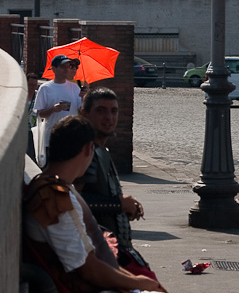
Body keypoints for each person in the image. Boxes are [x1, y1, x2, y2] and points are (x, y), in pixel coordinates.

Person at [23, 116, 166, 293]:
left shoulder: (57, 188)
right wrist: (140, 283)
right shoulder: (52, 198)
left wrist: (136, 280)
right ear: (88, 149)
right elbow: (89, 271)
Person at [77, 88, 155, 278]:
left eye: (114, 111)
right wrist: (118, 204)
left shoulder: (101, 150)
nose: (108, 117)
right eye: (101, 110)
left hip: (112, 251)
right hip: (97, 254)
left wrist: (124, 206)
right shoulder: (86, 153)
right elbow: (73, 202)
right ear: (85, 113)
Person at [33, 55, 83, 165]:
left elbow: (83, 111)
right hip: (51, 138)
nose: (66, 69)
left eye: (68, 66)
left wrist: (85, 97)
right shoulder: (45, 88)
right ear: (54, 69)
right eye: (62, 67)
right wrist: (52, 109)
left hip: (71, 137)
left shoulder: (75, 88)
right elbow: (40, 114)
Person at [25, 72, 39, 162]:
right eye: (30, 85)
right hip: (23, 129)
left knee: (32, 153)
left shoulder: (38, 95)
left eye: (35, 85)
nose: (32, 87)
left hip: (34, 128)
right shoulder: (22, 94)